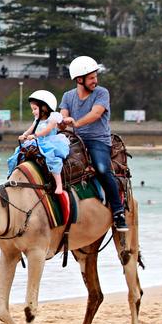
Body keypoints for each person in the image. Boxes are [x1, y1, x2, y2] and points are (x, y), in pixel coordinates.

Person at [60, 56, 127, 232]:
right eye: (91, 77)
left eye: (95, 76)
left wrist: (75, 123)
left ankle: (118, 212)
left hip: (98, 140)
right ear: (79, 79)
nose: (95, 80)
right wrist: (61, 121)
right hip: (75, 141)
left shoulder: (101, 93)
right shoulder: (68, 96)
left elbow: (96, 114)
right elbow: (63, 115)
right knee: (53, 164)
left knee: (103, 169)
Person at [7, 90, 70, 195]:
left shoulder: (53, 118)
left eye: (35, 109)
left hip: (50, 141)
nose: (33, 112)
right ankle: (12, 175)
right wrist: (25, 135)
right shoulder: (37, 119)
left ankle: (59, 184)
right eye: (32, 109)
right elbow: (31, 128)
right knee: (18, 153)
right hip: (37, 141)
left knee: (52, 158)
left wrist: (35, 136)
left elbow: (47, 130)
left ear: (45, 107)